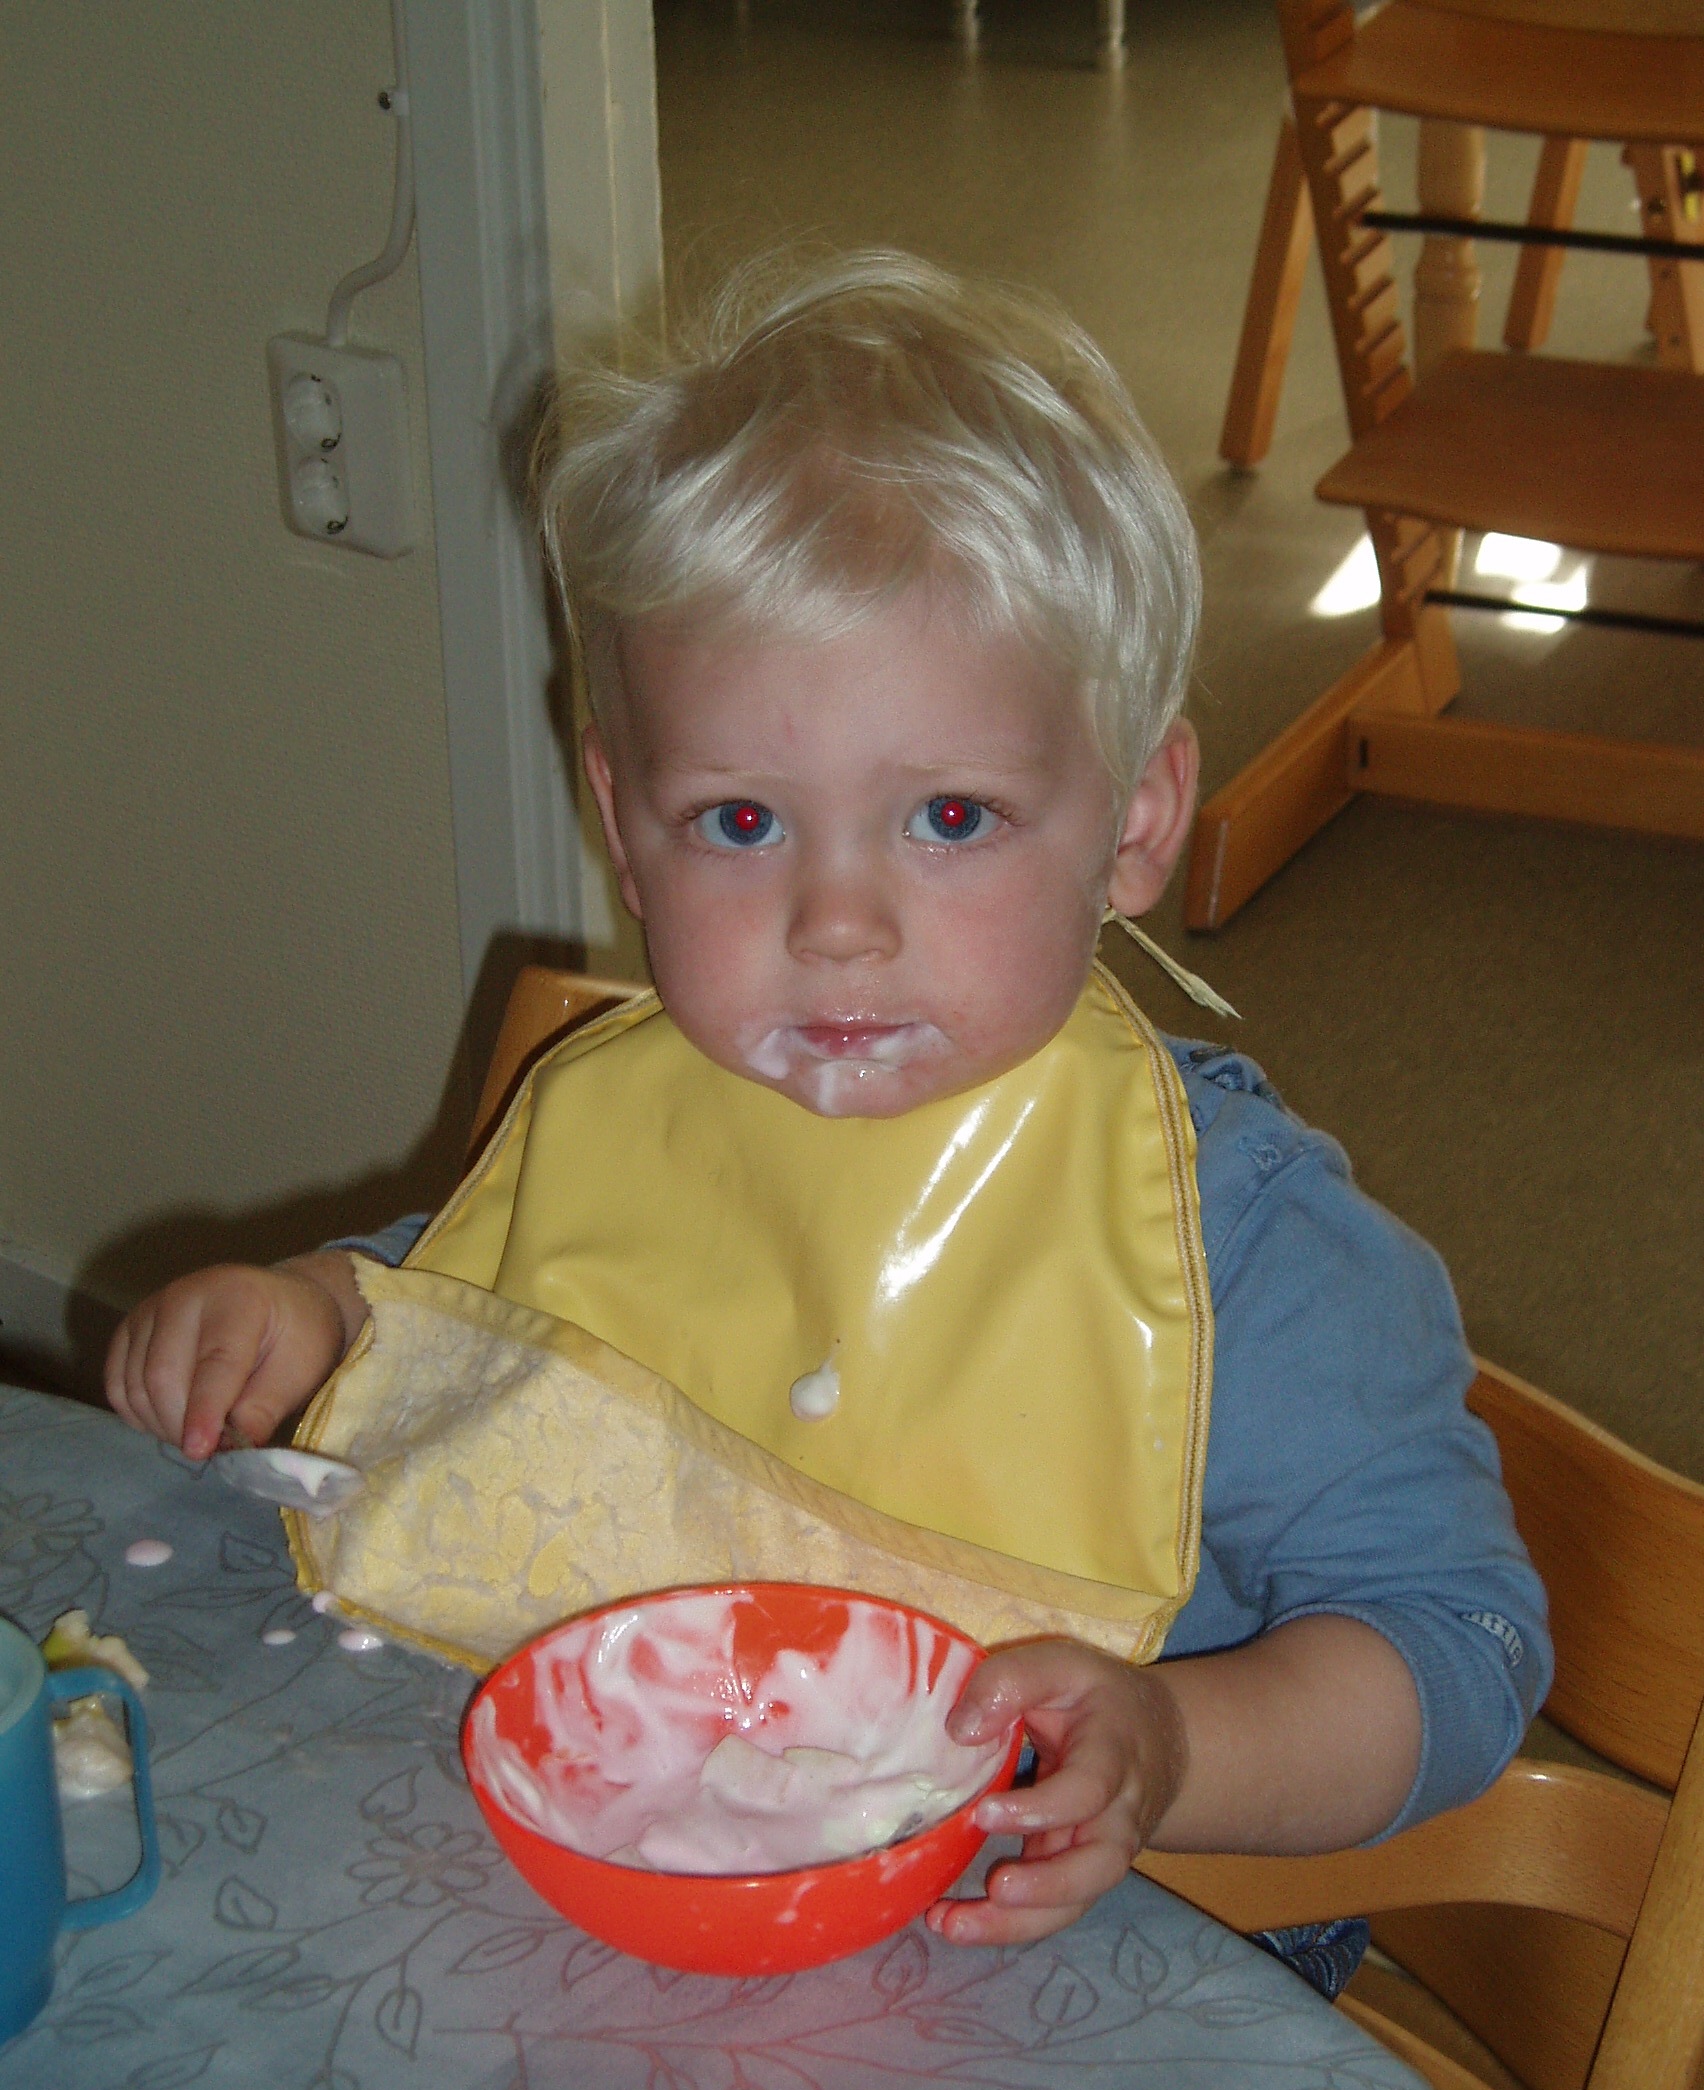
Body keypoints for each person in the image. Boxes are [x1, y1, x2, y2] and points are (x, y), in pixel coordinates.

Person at [105, 251, 1550, 1965]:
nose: (837, 924)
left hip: (1068, 1968)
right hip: (643, 1894)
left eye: (950, 817)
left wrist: (1173, 1745)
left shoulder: (1239, 1246)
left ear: (1138, 821)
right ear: (623, 823)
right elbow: (490, 1318)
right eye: (740, 822)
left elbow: (1461, 1649)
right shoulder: (627, 1113)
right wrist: (316, 1315)